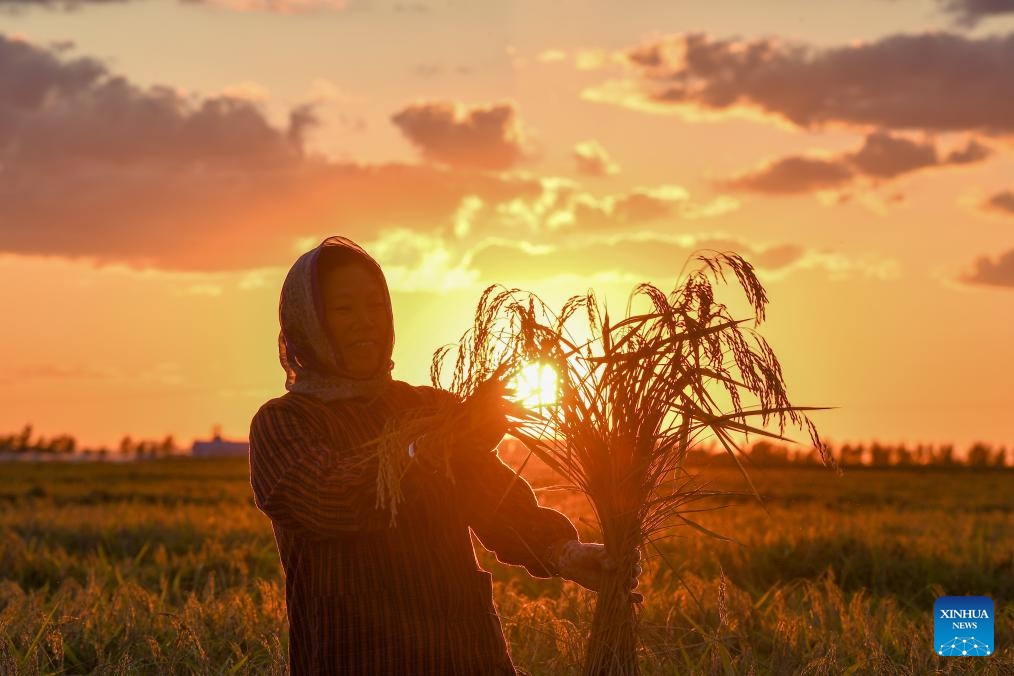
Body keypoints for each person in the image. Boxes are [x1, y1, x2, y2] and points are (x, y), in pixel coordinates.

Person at [249, 236, 637, 675]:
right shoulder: (283, 423)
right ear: (309, 323)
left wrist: (565, 552)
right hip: (356, 653)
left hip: (465, 652)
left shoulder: (429, 409)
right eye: (343, 310)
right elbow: (328, 498)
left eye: (376, 306)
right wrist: (430, 449)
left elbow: (497, 503)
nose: (366, 323)